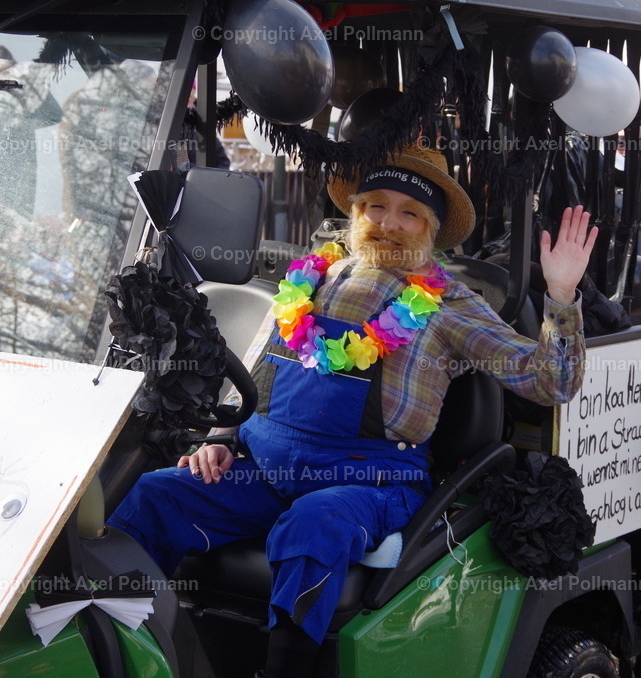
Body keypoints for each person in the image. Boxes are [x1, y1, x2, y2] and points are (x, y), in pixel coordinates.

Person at [106, 145, 598, 677]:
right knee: (153, 495)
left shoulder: (450, 306)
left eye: (409, 213)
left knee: (315, 525)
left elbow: (553, 381)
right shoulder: (305, 281)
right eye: (376, 206)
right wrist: (221, 437)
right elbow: (255, 374)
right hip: (266, 472)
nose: (389, 223)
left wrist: (562, 293)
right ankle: (125, 652)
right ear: (356, 213)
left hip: (369, 481)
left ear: (430, 229)